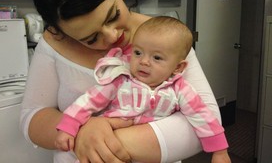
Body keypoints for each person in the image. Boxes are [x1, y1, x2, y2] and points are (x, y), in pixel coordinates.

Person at [20, 0, 224, 163]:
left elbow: (207, 119)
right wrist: (82, 132)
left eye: (113, 16)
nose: (112, 36)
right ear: (61, 31)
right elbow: (31, 115)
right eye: (91, 39)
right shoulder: (54, 43)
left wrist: (99, 139)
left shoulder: (167, 40)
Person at [54, 16, 230, 162]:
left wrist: (219, 151)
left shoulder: (180, 90)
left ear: (178, 67)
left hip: (155, 155)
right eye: (138, 53)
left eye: (157, 57)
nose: (144, 61)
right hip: (113, 151)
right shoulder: (120, 81)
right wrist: (68, 126)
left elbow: (202, 116)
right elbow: (89, 101)